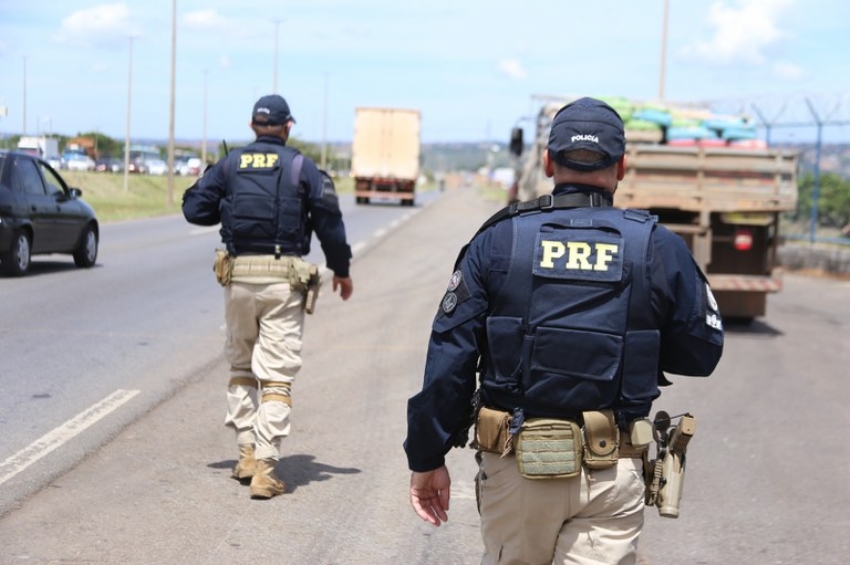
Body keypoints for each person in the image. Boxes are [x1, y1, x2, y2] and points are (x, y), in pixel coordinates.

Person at [404, 97, 723, 564]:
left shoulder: (499, 240)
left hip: (516, 470)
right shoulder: (656, 246)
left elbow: (450, 358)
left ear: (549, 162)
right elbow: (702, 353)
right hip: (612, 471)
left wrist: (426, 457)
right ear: (623, 167)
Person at [183, 94, 354, 500]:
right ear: (288, 127)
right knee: (276, 373)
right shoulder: (300, 166)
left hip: (238, 278)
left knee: (242, 364)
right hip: (283, 281)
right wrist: (342, 270)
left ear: (252, 125)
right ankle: (266, 467)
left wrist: (220, 182)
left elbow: (194, 210)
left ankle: (244, 453)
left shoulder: (231, 164)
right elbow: (329, 222)